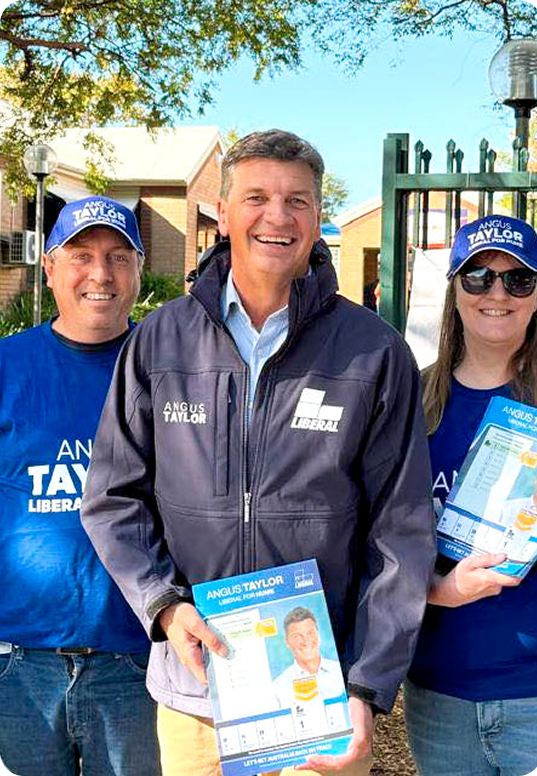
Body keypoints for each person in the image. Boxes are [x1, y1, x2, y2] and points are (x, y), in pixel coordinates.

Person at [81, 129, 436, 776]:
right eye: (257, 198)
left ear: (317, 216)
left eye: (297, 200)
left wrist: (366, 684)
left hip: (319, 700)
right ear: (223, 213)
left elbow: (401, 530)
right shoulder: (160, 341)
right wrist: (164, 604)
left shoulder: (375, 353)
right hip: (196, 694)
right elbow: (111, 498)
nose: (278, 216)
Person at [0, 196, 160, 776]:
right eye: (81, 256)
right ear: (48, 267)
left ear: (138, 271)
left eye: (119, 257)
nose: (101, 273)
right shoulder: (8, 366)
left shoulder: (168, 369)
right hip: (19, 663)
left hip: (138, 658)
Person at [404, 214, 537, 776]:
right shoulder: (409, 400)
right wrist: (438, 592)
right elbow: (370, 536)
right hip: (441, 694)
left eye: (518, 280)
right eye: (478, 276)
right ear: (455, 290)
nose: (497, 294)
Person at [273, 607, 344, 709]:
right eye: (297, 636)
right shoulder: (278, 687)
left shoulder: (340, 671)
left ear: (318, 635)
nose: (305, 641)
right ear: (287, 642)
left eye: (310, 633)